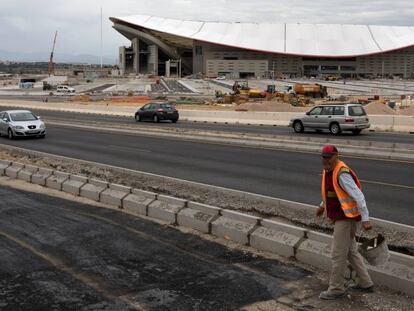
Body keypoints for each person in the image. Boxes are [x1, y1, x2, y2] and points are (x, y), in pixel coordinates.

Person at [316, 145, 374, 300]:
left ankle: (336, 289)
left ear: (336, 156)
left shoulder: (342, 174)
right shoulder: (329, 171)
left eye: (329, 156)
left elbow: (359, 196)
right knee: (351, 251)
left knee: (338, 253)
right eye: (324, 156)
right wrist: (322, 206)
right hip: (341, 217)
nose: (326, 159)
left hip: (346, 219)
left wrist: (366, 219)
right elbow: (332, 192)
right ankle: (365, 282)